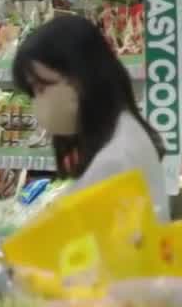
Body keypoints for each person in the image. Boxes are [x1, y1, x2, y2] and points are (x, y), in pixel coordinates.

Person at [12, 13, 169, 221]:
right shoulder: (124, 132)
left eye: (41, 88)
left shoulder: (114, 160)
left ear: (79, 77)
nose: (38, 103)